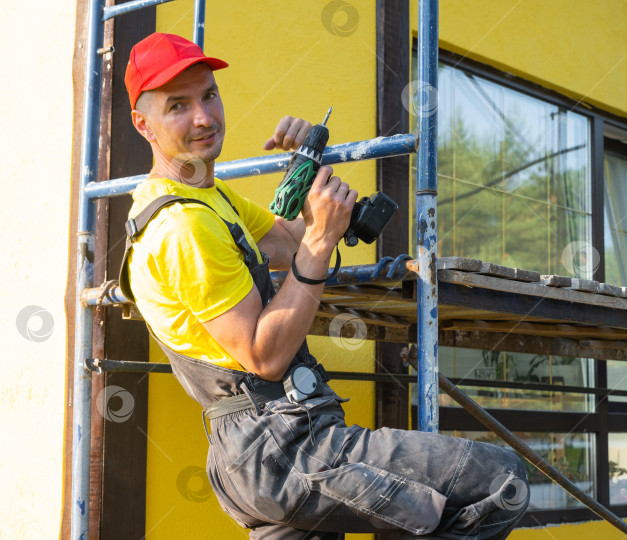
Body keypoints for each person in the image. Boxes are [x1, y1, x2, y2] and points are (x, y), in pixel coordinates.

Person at [119, 32, 529, 539]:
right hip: (281, 447)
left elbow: (288, 243)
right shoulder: (182, 226)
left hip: (267, 447)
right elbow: (263, 354)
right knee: (502, 481)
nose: (204, 117)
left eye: (209, 95)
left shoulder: (207, 197)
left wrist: (305, 168)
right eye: (177, 106)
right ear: (144, 124)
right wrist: (320, 240)